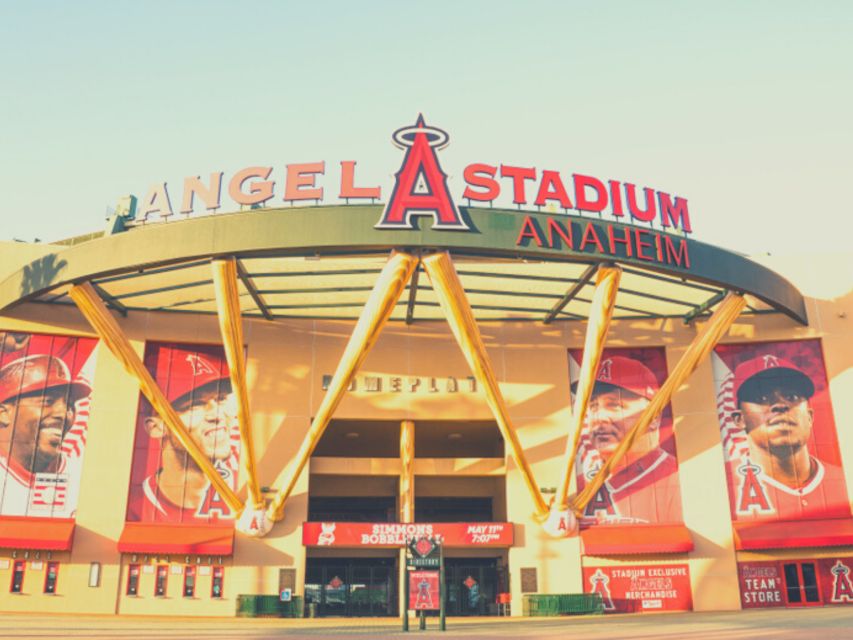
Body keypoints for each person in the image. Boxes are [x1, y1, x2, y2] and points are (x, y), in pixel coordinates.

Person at [728, 354, 849, 519]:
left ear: (810, 416)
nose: (780, 405)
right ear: (740, 419)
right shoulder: (718, 486)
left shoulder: (848, 479)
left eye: (792, 397)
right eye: (762, 398)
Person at [127, 351, 238, 523]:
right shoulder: (133, 510)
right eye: (195, 405)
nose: (216, 414)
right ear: (156, 427)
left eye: (220, 399)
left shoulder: (241, 501)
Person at [574, 355, 682, 525]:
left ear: (654, 417)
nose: (599, 417)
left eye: (614, 405)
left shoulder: (677, 480)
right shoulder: (576, 487)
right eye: (593, 406)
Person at [0, 354, 90, 515]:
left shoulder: (86, 478)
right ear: (4, 413)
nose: (63, 414)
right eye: (47, 401)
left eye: (69, 405)